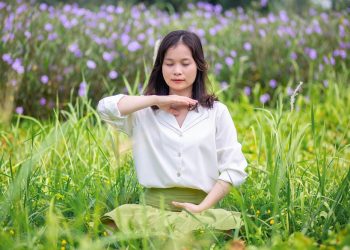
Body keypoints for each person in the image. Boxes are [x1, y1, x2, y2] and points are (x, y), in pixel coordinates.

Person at [97, 30, 248, 242]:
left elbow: (234, 168)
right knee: (117, 222)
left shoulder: (216, 112)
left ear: (199, 65)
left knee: (233, 229)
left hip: (201, 213)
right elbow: (105, 108)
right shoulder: (144, 112)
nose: (177, 71)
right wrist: (156, 100)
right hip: (150, 212)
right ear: (160, 67)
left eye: (185, 63)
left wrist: (202, 207)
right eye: (169, 64)